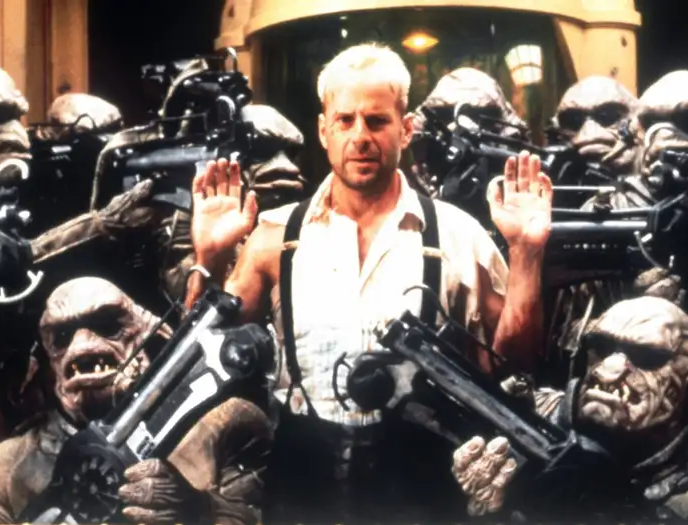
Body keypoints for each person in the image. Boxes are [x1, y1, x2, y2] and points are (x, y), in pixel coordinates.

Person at [182, 42, 552, 522]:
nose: (360, 136)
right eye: (346, 120)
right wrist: (209, 259)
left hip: (422, 488)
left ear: (406, 129)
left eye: (377, 121)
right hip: (303, 486)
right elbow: (205, 358)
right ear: (324, 130)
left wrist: (526, 254)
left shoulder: (457, 236)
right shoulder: (276, 237)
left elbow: (513, 364)